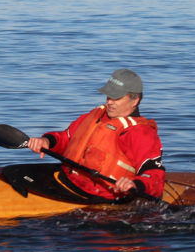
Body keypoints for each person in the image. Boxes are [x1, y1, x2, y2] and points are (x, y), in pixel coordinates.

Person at [27, 68, 165, 201]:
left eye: (116, 97)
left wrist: (136, 184)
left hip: (98, 196)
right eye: (109, 95)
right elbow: (66, 138)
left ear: (135, 100)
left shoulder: (140, 132)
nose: (109, 102)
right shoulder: (95, 116)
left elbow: (154, 174)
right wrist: (47, 141)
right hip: (66, 179)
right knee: (16, 173)